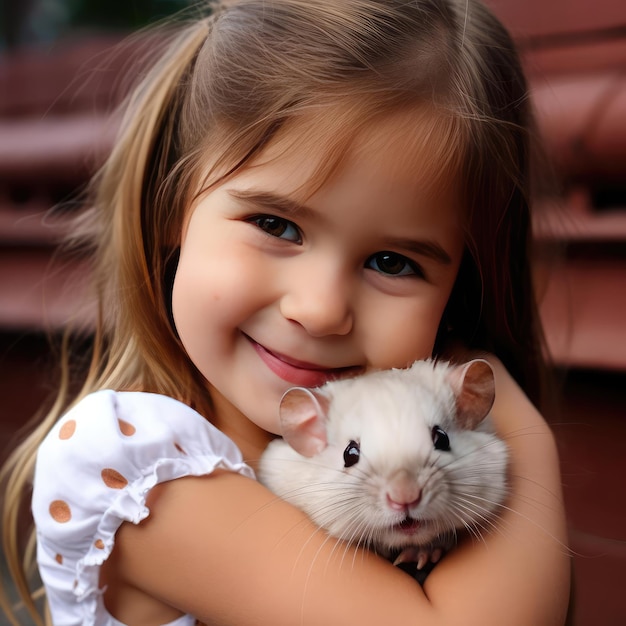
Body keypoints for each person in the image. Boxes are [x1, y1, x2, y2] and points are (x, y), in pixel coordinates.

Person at [0, 0, 571, 624]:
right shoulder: (140, 474)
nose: (321, 309)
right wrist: (524, 432)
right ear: (173, 206)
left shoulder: (412, 471)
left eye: (392, 263)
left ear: (458, 293)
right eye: (275, 224)